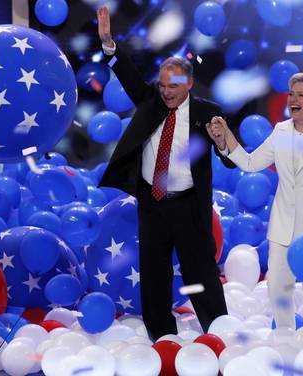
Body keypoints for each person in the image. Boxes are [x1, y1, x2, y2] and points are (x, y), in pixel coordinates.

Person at [96, 6, 235, 341]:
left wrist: (224, 143)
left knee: (200, 271)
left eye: (173, 86)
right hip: (152, 202)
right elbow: (128, 75)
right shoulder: (150, 101)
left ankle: (218, 334)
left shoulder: (208, 113)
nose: (167, 92)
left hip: (188, 205)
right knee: (154, 273)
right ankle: (161, 338)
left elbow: (230, 159)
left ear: (188, 83)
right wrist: (108, 44)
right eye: (162, 86)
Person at [207, 73, 303, 332]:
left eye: (300, 95)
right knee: (278, 286)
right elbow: (252, 163)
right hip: (283, 224)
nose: (293, 99)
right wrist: (225, 139)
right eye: (291, 94)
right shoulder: (281, 131)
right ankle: (285, 337)